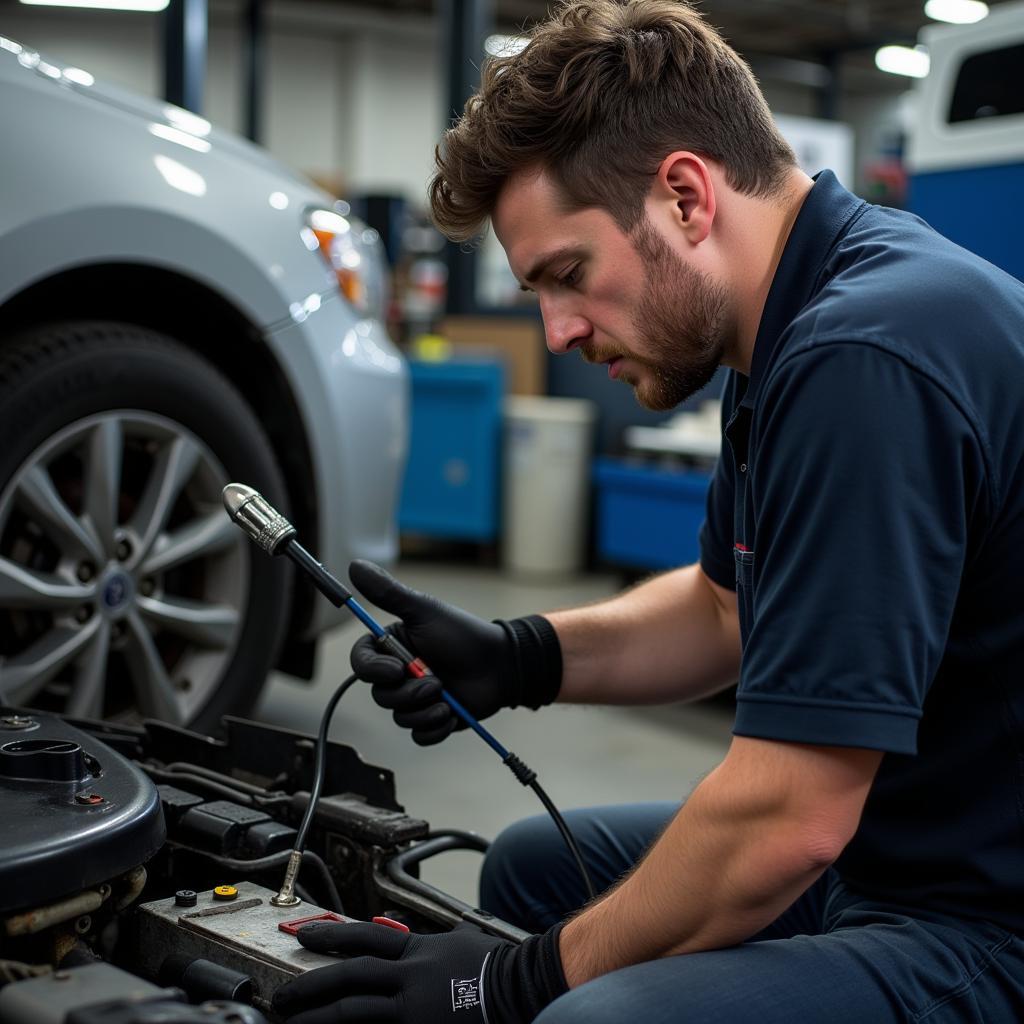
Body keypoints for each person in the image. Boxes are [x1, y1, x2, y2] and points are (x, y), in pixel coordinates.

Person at [271, 1, 1024, 1021]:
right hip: (896, 850)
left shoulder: (863, 355)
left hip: (985, 920)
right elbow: (726, 610)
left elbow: (791, 819)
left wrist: (509, 982)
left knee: (586, 1013)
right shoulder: (797, 316)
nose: (560, 328)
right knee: (537, 869)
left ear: (683, 196)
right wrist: (517, 654)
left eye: (567, 275)